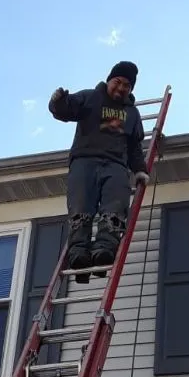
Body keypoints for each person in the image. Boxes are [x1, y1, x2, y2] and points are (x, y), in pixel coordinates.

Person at [48, 61, 149, 278]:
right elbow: (66, 110)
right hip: (85, 162)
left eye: (127, 86)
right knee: (81, 207)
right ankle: (78, 253)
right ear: (109, 80)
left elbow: (134, 148)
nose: (121, 88)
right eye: (118, 82)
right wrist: (58, 102)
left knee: (115, 207)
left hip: (116, 165)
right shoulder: (90, 98)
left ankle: (105, 248)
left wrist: (139, 169)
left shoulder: (132, 114)